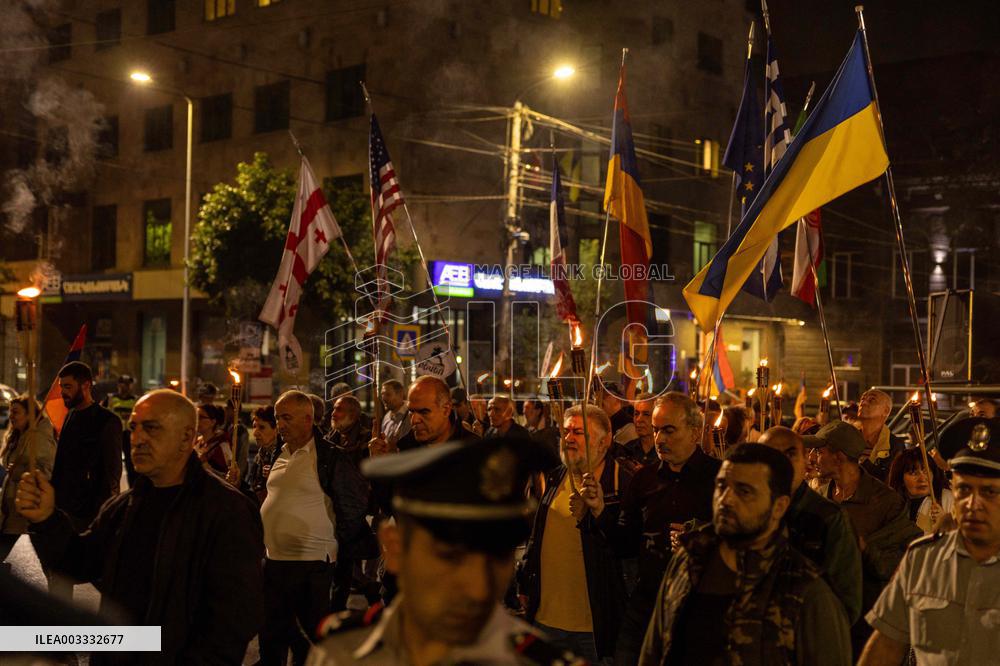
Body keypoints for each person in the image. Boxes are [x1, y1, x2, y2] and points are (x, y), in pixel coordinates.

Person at [15, 389, 264, 663]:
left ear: (186, 438)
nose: (137, 439)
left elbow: (234, 619)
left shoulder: (227, 511)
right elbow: (78, 563)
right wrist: (47, 519)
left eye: (151, 429)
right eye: (133, 428)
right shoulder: (125, 506)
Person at [307, 437, 568, 665]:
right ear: (395, 548)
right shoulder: (340, 654)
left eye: (498, 557)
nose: (479, 587)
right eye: (450, 557)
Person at [639, 444, 853, 666]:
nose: (726, 500)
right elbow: (653, 650)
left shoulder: (804, 591)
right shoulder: (689, 559)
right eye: (721, 486)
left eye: (744, 491)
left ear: (779, 506)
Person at [589, 392, 721, 665]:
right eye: (657, 430)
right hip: (646, 605)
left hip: (698, 609)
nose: (660, 439)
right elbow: (624, 544)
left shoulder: (720, 479)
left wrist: (701, 541)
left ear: (695, 432)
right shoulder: (644, 479)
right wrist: (600, 511)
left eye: (669, 431)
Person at [860, 416, 1000, 665]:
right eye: (964, 489)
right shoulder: (922, 559)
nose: (973, 504)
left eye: (989, 491)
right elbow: (886, 647)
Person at [518, 404, 633, 662]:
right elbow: (538, 535)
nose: (568, 438)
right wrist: (525, 576)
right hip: (545, 619)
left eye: (579, 433)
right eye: (566, 431)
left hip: (593, 626)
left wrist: (599, 512)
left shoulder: (620, 483)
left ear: (604, 442)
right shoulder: (555, 477)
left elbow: (626, 547)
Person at [809, 419, 922, 656]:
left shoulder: (885, 502)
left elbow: (897, 563)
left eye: (819, 452)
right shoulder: (818, 497)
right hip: (824, 615)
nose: (812, 457)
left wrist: (861, 547)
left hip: (866, 620)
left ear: (839, 457)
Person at [259, 391, 339, 666]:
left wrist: (336, 547)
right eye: (278, 417)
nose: (280, 424)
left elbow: (352, 504)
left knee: (310, 639)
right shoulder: (278, 453)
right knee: (272, 635)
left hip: (311, 563)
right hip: (274, 561)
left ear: (308, 419)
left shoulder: (328, 456)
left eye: (286, 417)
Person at [759, 426, 863, 623]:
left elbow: (845, 600)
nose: (780, 464)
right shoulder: (751, 510)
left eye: (790, 455)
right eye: (770, 455)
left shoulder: (827, 518)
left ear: (805, 462)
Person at [48, 361, 122, 599]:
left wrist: (103, 515)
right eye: (61, 387)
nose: (63, 393)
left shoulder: (106, 421)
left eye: (68, 386)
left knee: (100, 576)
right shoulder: (69, 417)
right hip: (62, 510)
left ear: (86, 385)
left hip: (89, 515)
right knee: (59, 577)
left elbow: (112, 474)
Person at [324, 394, 380, 611]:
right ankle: (363, 596)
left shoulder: (366, 440)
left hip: (356, 510)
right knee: (345, 564)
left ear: (353, 414)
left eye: (338, 410)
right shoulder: (333, 437)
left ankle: (365, 595)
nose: (333, 414)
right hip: (335, 509)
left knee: (346, 562)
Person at [0, 396, 57, 567]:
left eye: (16, 412)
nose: (11, 416)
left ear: (29, 415)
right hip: (12, 505)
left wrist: (17, 472)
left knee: (46, 553)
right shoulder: (18, 435)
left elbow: (44, 471)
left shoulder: (38, 437)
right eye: (10, 412)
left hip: (28, 505)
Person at [373, 376, 477, 454]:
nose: (414, 420)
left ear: (445, 410)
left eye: (424, 412)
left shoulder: (473, 450)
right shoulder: (405, 448)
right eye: (411, 411)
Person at [886, 447, 954, 535]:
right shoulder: (894, 506)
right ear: (900, 478)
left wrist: (946, 523)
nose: (922, 479)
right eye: (913, 473)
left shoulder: (947, 499)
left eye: (926, 471)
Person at [855, 389, 905, 482]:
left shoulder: (894, 446)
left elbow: (890, 481)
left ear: (885, 411)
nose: (864, 403)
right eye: (862, 399)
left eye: (872, 400)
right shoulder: (849, 438)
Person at [103, 374, 139, 487]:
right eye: (124, 384)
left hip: (129, 435)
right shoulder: (110, 399)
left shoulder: (135, 400)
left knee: (130, 464)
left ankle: (133, 489)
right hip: (114, 435)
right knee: (112, 463)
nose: (126, 387)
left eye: (128, 384)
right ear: (118, 385)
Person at [247, 405, 281, 505]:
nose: (255, 433)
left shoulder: (286, 454)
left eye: (262, 427)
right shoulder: (260, 455)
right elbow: (254, 487)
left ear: (276, 429)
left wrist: (277, 478)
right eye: (254, 426)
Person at [617, 393, 659, 470]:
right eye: (636, 414)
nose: (639, 419)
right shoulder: (627, 450)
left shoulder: (665, 452)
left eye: (646, 414)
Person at [194, 403, 232, 477]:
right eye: (196, 416)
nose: (197, 420)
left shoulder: (222, 445)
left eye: (201, 417)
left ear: (213, 422)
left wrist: (205, 465)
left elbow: (228, 477)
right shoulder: (197, 442)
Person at [597, 381, 637, 446]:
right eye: (600, 395)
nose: (600, 399)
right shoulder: (603, 422)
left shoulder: (628, 426)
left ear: (617, 399)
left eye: (605, 396)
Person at [379, 379, 411, 447]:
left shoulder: (411, 415)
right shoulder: (386, 417)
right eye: (382, 394)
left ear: (400, 395)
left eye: (388, 394)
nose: (384, 398)